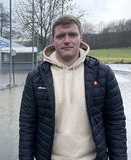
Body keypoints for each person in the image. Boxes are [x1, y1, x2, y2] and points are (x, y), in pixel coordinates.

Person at [19, 15, 127, 160]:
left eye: (72, 35)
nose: (67, 40)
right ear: (53, 40)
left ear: (81, 38)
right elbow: (27, 125)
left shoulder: (103, 73)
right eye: (61, 36)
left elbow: (116, 122)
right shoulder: (36, 77)